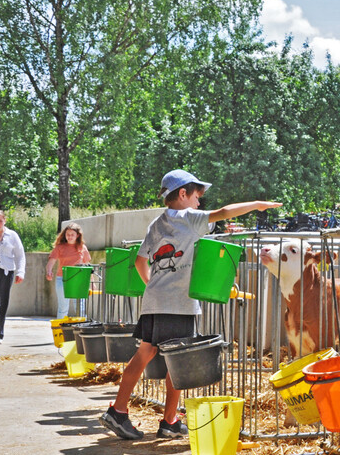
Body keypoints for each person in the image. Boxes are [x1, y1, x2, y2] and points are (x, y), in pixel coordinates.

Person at [100, 170, 281, 441]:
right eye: (197, 196)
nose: (199, 204)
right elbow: (224, 212)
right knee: (179, 362)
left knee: (145, 354)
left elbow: (140, 262)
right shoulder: (189, 218)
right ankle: (152, 416)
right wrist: (256, 204)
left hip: (155, 300)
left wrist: (154, 287)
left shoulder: (156, 224)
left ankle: (135, 413)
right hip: (178, 303)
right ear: (182, 194)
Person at [0, 210, 25, 346]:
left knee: (3, 302)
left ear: (5, 221)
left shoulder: (12, 235)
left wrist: (21, 272)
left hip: (7, 272)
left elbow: (20, 255)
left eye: (0, 221)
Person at [45, 222, 92, 320]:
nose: (69, 237)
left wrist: (91, 282)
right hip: (62, 279)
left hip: (79, 280)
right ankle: (60, 331)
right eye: (68, 234)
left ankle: (82, 329)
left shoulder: (82, 248)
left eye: (72, 235)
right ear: (64, 235)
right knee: (63, 307)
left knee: (80, 307)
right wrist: (49, 271)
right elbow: (51, 262)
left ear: (77, 235)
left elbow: (88, 266)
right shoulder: (60, 247)